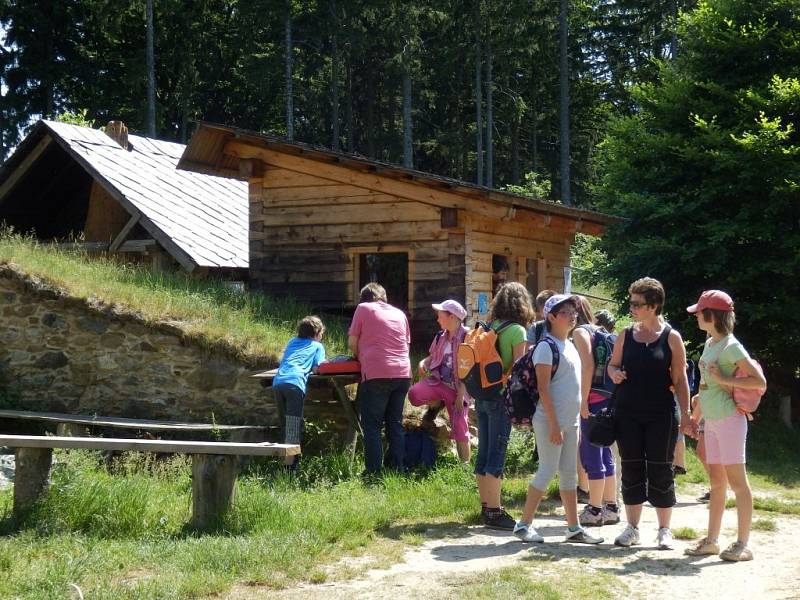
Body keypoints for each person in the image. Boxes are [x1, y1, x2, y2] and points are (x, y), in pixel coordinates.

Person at [607, 277, 692, 549]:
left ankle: (664, 530)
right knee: (631, 467)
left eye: (636, 303)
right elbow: (611, 366)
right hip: (627, 413)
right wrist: (615, 373)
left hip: (661, 414)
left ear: (653, 306)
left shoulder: (672, 337)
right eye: (630, 302)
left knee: (660, 469)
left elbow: (680, 380)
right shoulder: (625, 335)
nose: (631, 307)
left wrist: (687, 414)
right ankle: (631, 528)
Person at [513, 294, 603, 544]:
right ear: (551, 317)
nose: (573, 316)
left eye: (574, 312)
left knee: (568, 475)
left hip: (569, 422)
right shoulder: (546, 346)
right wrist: (554, 425)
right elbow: (543, 389)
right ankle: (523, 525)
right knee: (547, 470)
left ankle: (573, 528)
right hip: (550, 421)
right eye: (566, 312)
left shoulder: (570, 345)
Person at [684, 290, 766, 562]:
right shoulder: (711, 343)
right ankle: (712, 541)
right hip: (714, 421)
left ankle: (743, 545)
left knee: (738, 484)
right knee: (717, 484)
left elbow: (759, 383)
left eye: (700, 311)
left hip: (730, 421)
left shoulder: (732, 346)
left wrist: (725, 380)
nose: (696, 314)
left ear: (711, 315)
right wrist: (696, 416)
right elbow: (707, 386)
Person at [476, 281, 534, 529]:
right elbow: (519, 369)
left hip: (482, 396)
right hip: (501, 398)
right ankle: (495, 511)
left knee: (484, 452)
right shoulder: (518, 331)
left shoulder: (490, 327)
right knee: (497, 454)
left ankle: (485, 506)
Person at [348, 282, 412, 475]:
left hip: (377, 372)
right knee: (395, 422)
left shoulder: (363, 308)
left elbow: (352, 343)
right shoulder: (400, 313)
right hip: (403, 373)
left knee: (372, 425)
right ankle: (397, 467)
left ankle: (374, 471)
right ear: (384, 297)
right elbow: (406, 345)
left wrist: (362, 357)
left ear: (364, 297)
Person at [572, 296, 619, 527]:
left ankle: (594, 510)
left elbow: (588, 365)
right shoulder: (602, 331)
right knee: (606, 453)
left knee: (591, 455)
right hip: (609, 398)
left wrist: (582, 401)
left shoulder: (580, 332)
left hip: (592, 399)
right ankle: (611, 506)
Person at [408, 299, 471, 462]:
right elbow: (432, 356)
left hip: (459, 388)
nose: (437, 319)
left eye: (440, 315)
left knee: (460, 427)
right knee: (414, 394)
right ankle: (437, 402)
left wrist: (461, 395)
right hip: (439, 382)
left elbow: (470, 369)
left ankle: (464, 466)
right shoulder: (440, 336)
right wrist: (424, 362)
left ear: (452, 317)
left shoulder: (468, 337)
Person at [272, 316, 326, 470]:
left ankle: (283, 462)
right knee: (294, 426)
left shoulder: (291, 342)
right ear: (317, 333)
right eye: (321, 334)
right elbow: (318, 368)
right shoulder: (317, 346)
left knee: (285, 424)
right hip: (295, 384)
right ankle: (290, 468)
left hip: (278, 382)